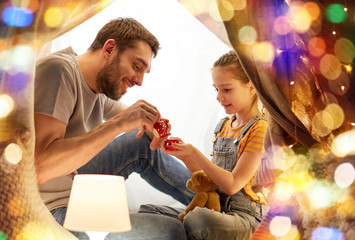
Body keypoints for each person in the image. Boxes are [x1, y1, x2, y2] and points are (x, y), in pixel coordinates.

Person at [34, 17, 193, 239]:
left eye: (144, 73)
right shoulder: (58, 70)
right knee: (170, 230)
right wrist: (118, 124)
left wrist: (155, 127)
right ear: (109, 48)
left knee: (140, 142)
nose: (139, 81)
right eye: (136, 66)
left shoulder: (97, 89)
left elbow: (134, 121)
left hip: (75, 186)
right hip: (47, 206)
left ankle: (218, 203)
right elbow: (41, 168)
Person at [140, 51, 269, 240]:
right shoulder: (224, 126)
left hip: (244, 217)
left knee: (198, 220)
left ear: (251, 86)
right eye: (215, 89)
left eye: (226, 89)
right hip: (215, 208)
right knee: (148, 212)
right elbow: (208, 182)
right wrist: (184, 155)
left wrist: (194, 152)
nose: (218, 96)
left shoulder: (260, 128)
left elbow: (232, 185)